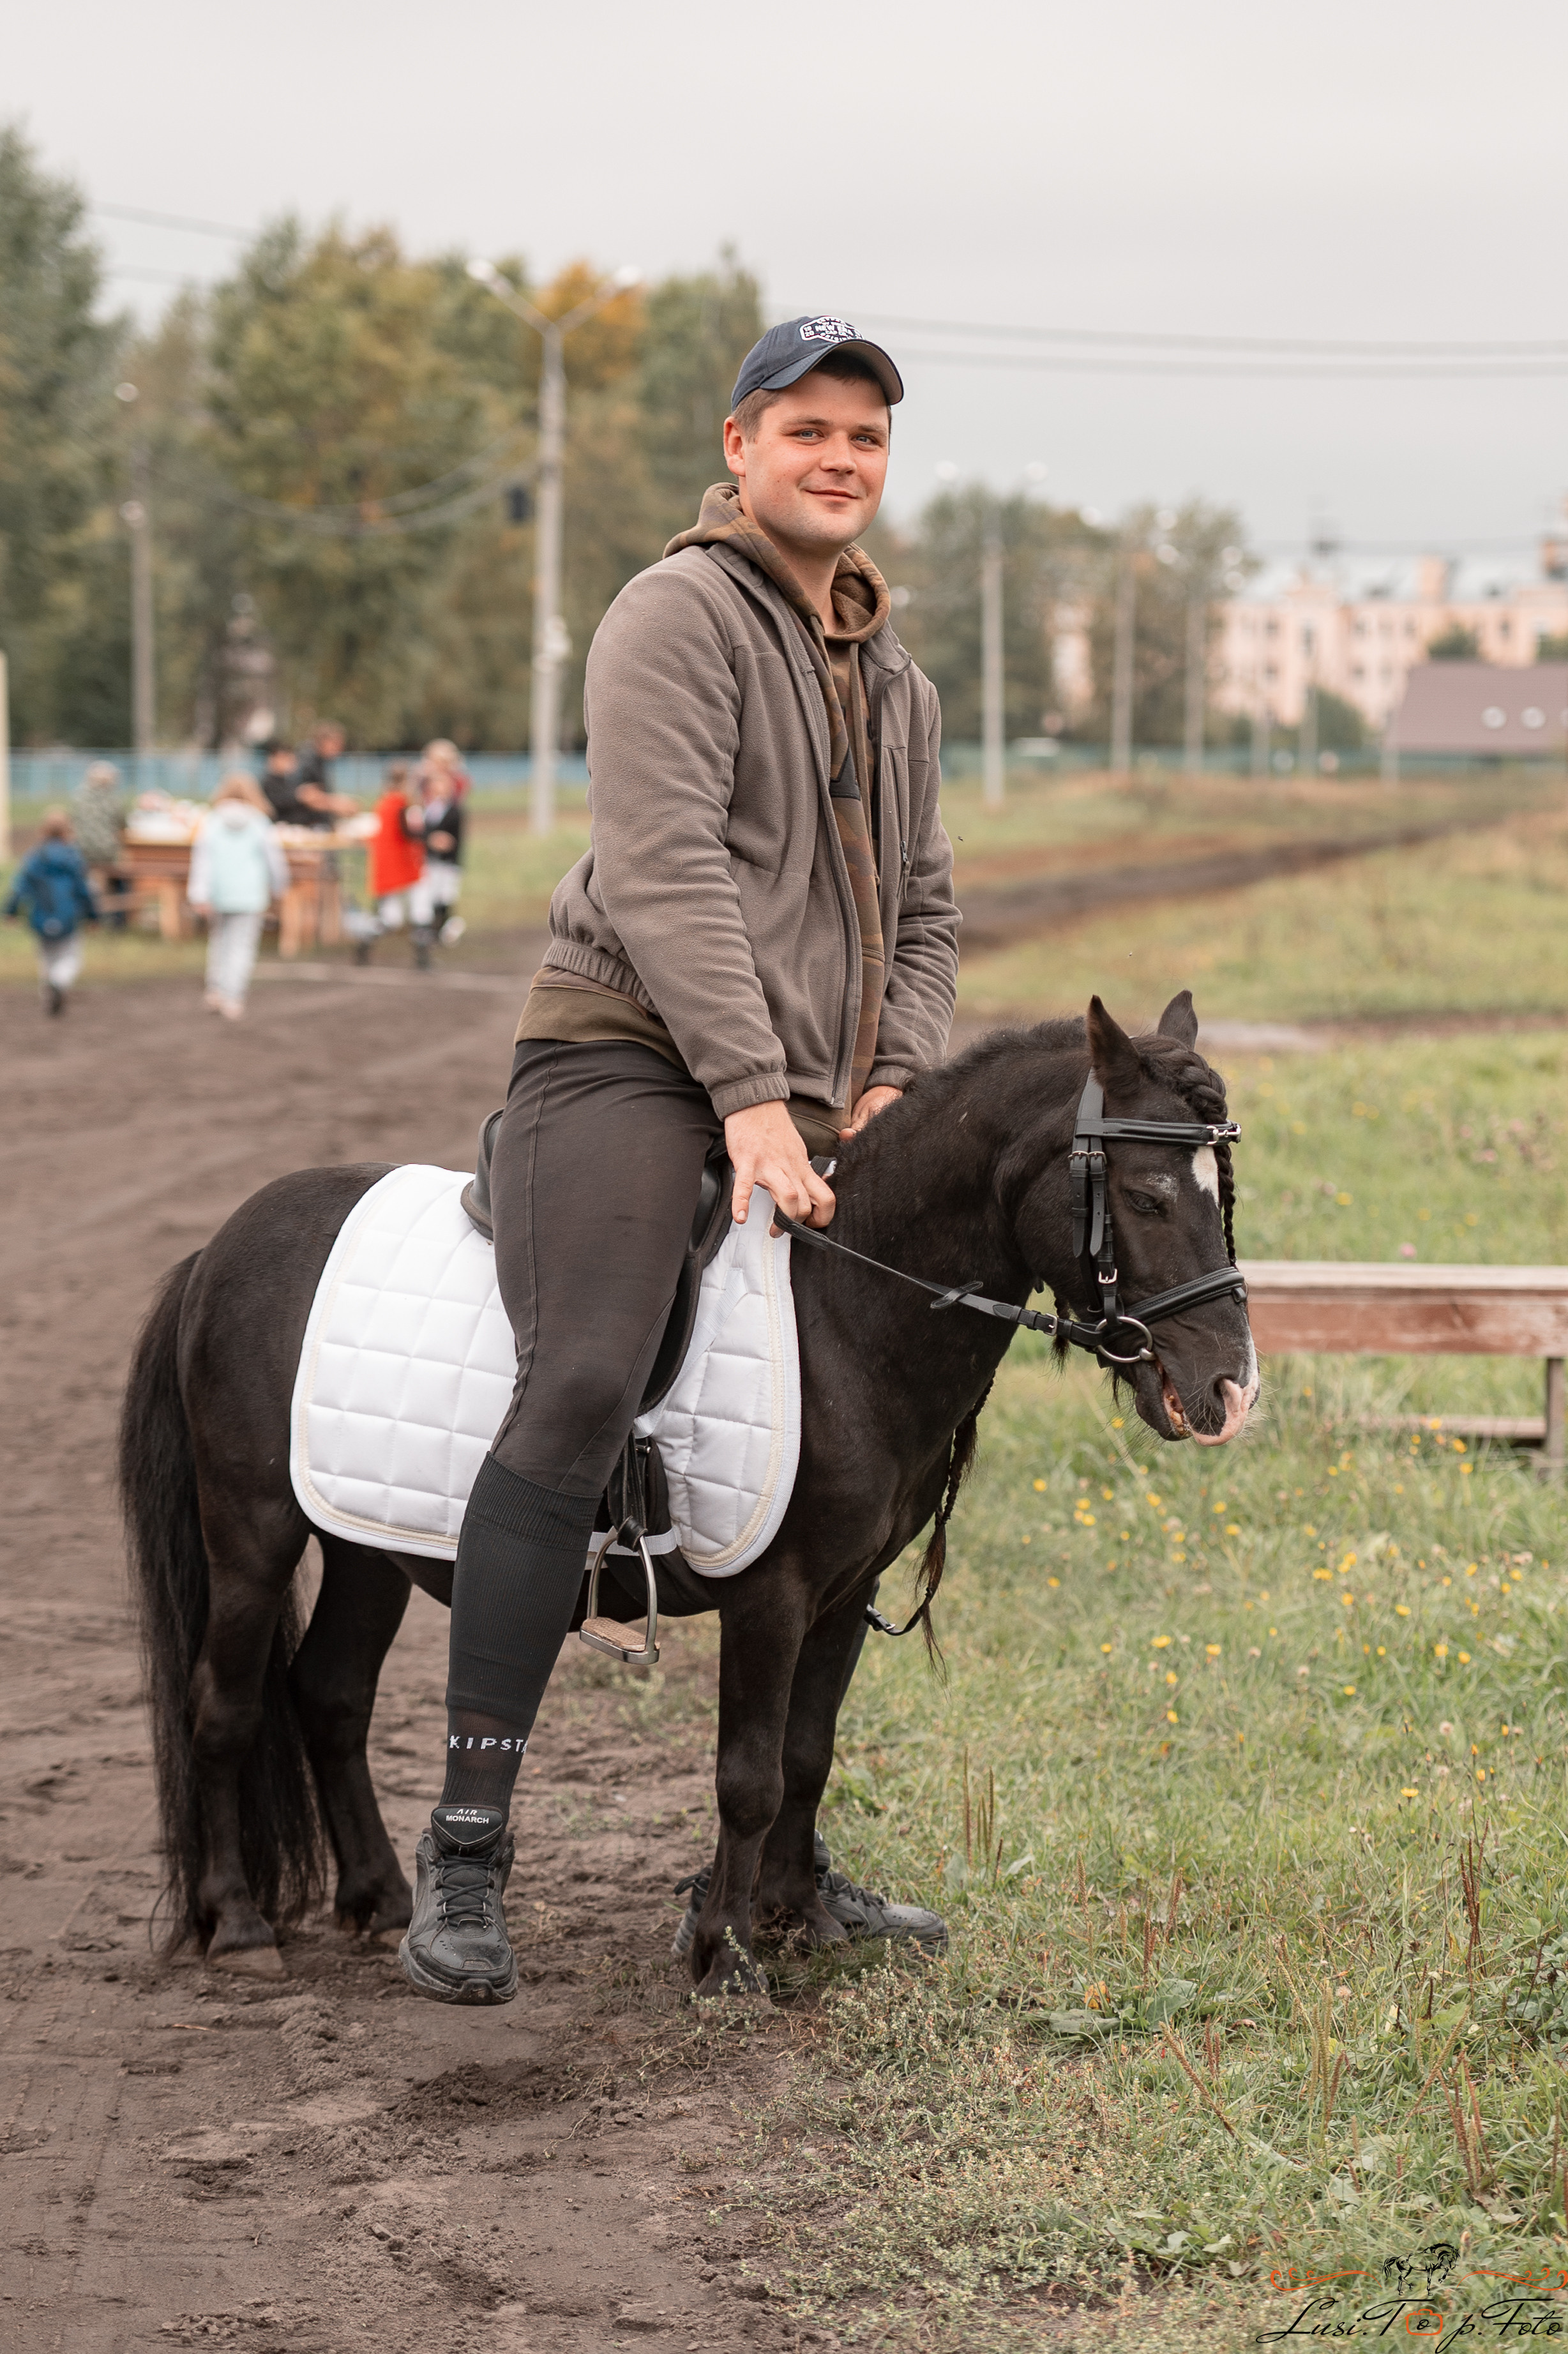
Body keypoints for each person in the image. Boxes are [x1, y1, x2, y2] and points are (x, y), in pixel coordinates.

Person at [398, 315, 959, 2006]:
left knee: (883, 1443)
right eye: (807, 426)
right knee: (579, 1381)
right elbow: (663, 874)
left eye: (866, 432)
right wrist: (749, 1092)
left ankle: (775, 1861)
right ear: (739, 446)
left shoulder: (903, 682)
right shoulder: (673, 617)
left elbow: (925, 912)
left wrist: (892, 1081)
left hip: (815, 1088)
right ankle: (466, 1846)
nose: (840, 455)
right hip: (627, 1059)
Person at [187, 774, 290, 1019]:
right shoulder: (260, 823)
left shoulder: (211, 821)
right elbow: (274, 860)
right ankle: (233, 997)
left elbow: (203, 860)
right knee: (241, 947)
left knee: (219, 943)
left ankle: (216, 990)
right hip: (249, 894)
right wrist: (279, 886)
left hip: (219, 893)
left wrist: (199, 893)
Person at [4, 809, 98, 1015]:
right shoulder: (73, 857)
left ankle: (49, 995)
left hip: (41, 914)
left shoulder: (34, 856)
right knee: (71, 956)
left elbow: (20, 886)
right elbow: (85, 889)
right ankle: (60, 981)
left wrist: (10, 911)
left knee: (46, 957)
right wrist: (93, 915)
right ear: (68, 831)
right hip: (68, 915)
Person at [359, 761, 435, 967]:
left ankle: (364, 943)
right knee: (420, 910)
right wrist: (430, 837)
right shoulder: (403, 805)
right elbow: (411, 833)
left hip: (388, 866)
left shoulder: (382, 804)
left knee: (391, 918)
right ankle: (422, 958)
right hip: (406, 864)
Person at [72, 761, 130, 924]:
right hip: (107, 853)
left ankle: (85, 915)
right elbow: (123, 826)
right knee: (123, 877)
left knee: (84, 879)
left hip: (82, 852)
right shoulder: (114, 800)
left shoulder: (79, 798)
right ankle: (119, 918)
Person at [419, 764, 465, 946]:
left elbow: (454, 839)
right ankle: (433, 930)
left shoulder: (454, 811)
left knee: (445, 897)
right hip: (430, 861)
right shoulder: (427, 809)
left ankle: (443, 930)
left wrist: (443, 843)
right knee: (430, 896)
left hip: (447, 862)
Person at [295, 720, 359, 822]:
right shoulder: (307, 760)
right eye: (336, 743)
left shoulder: (321, 760)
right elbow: (305, 795)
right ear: (324, 741)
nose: (339, 748)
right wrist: (337, 804)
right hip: (305, 823)